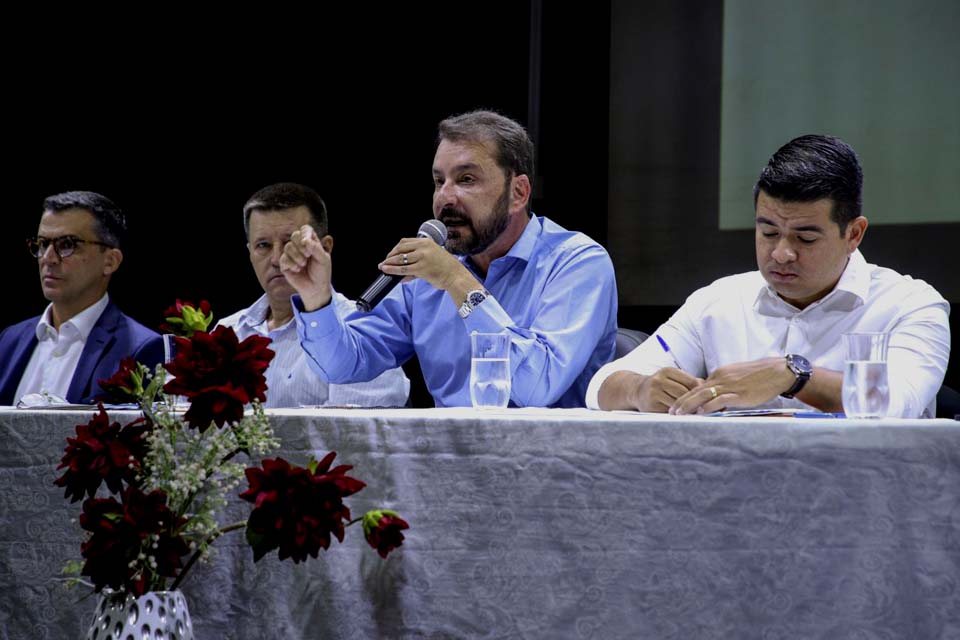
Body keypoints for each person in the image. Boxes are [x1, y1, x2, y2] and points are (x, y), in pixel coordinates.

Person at [587, 134, 950, 418]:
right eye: (768, 232)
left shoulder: (909, 305)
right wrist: (640, 389)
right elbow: (601, 385)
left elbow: (898, 402)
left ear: (853, 234)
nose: (781, 253)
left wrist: (795, 376)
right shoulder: (718, 301)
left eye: (805, 238)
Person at [280, 110, 618, 407]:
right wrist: (316, 298)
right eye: (439, 181)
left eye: (466, 179)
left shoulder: (576, 263)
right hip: (450, 468)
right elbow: (342, 366)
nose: (445, 197)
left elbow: (537, 386)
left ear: (518, 193)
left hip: (552, 469)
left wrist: (457, 282)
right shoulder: (427, 279)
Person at [217, 183, 409, 408]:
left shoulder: (363, 332)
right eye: (263, 245)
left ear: (325, 248)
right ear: (249, 252)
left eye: (291, 244)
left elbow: (355, 439)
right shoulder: (226, 333)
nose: (277, 259)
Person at [0, 191, 160, 405]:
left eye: (67, 245)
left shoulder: (140, 349)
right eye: (43, 243)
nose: (48, 258)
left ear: (110, 261)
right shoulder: (9, 340)